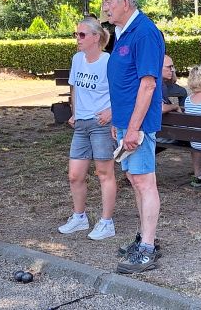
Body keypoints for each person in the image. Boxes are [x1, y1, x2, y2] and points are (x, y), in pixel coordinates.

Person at [102, 0, 165, 274]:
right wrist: (119, 121)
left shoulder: (145, 32)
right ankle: (144, 239)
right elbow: (124, 81)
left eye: (109, 3)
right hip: (127, 122)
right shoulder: (123, 32)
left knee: (144, 182)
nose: (105, 9)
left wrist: (133, 128)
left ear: (125, 3)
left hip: (138, 124)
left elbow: (148, 84)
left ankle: (148, 249)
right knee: (136, 180)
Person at [57, 17, 118, 241]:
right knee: (75, 175)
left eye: (82, 35)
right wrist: (75, 111)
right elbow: (74, 88)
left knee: (104, 173)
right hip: (81, 124)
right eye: (76, 34)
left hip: (101, 124)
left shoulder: (108, 61)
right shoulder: (77, 59)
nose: (78, 38)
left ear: (96, 37)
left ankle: (106, 222)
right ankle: (79, 217)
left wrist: (111, 112)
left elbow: (122, 91)